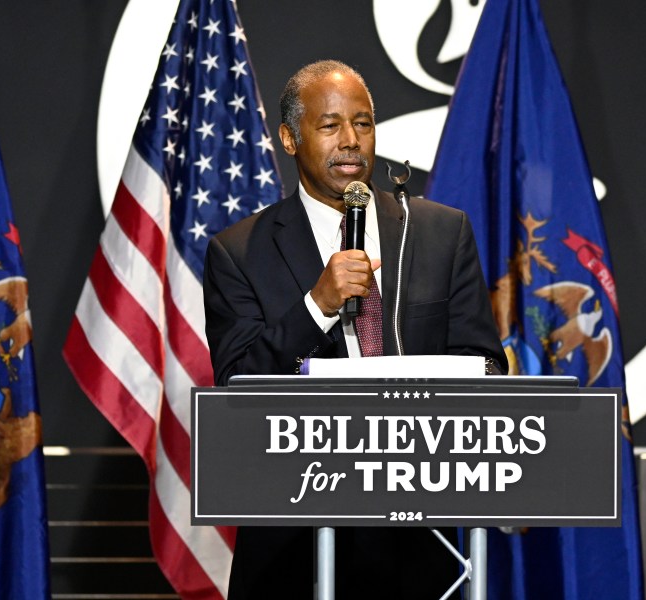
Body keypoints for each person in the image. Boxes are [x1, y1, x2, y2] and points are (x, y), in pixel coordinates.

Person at [203, 60, 507, 600]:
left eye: (363, 124)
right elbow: (236, 389)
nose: (350, 141)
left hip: (417, 540)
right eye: (329, 126)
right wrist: (317, 305)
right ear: (290, 139)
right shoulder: (239, 251)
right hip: (290, 544)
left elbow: (484, 362)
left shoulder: (440, 232)